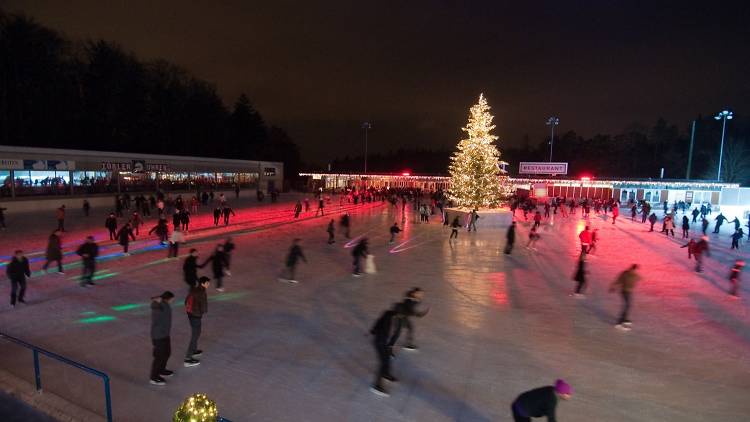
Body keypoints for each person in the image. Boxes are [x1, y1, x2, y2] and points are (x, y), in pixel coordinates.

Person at [369, 304, 405, 396]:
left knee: (387, 360)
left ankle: (386, 374)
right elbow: (380, 323)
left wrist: (373, 330)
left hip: (385, 343)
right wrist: (374, 331)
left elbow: (378, 322)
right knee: (383, 362)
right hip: (380, 342)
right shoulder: (388, 316)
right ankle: (377, 385)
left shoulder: (394, 317)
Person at [150, 291, 175, 386]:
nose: (173, 301)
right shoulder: (160, 307)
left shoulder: (164, 305)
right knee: (159, 357)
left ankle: (161, 370)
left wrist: (159, 300)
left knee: (167, 353)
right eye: (172, 299)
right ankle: (154, 377)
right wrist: (158, 301)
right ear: (168, 299)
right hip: (158, 336)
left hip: (164, 335)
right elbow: (156, 306)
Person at [184, 277, 209, 367]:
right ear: (202, 283)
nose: (208, 284)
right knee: (195, 335)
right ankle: (188, 359)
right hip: (196, 316)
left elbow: (186, 301)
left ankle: (194, 350)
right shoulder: (201, 292)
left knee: (196, 333)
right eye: (207, 283)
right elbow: (204, 307)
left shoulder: (194, 289)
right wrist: (201, 311)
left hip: (191, 315)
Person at [609, 264, 641, 330]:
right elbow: (618, 280)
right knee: (626, 306)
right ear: (632, 269)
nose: (635, 271)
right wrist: (613, 286)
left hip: (628, 292)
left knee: (628, 305)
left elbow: (638, 278)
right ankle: (619, 323)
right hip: (625, 291)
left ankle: (624, 319)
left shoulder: (633, 274)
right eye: (635, 269)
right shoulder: (626, 274)